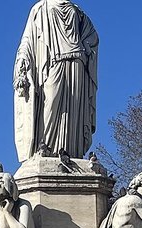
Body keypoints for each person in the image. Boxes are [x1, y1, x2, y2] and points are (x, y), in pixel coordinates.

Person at [13, 0, 99, 162]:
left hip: (76, 63)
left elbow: (92, 36)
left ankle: (72, 151)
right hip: (53, 62)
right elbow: (28, 40)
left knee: (75, 108)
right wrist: (23, 61)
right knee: (50, 104)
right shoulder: (40, 8)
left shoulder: (76, 10)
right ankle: (45, 148)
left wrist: (85, 46)